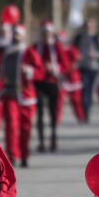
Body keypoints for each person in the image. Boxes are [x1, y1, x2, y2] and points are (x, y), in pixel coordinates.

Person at [0, 24, 42, 167]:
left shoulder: (29, 52)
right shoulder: (6, 52)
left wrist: (28, 70)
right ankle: (12, 155)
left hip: (25, 95)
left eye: (18, 34)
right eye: (14, 34)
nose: (16, 36)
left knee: (25, 127)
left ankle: (24, 155)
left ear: (23, 36)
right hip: (9, 93)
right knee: (11, 125)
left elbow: (40, 72)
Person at [30, 21, 66, 153]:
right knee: (39, 112)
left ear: (51, 34)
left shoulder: (56, 47)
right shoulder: (36, 47)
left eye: (48, 33)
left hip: (52, 82)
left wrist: (53, 68)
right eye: (44, 33)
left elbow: (65, 64)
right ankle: (41, 141)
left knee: (52, 112)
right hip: (39, 83)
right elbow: (30, 62)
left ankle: (53, 137)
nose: (46, 36)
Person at [74, 19, 99, 123]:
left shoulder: (96, 38)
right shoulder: (79, 38)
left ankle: (87, 112)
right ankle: (84, 112)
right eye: (86, 26)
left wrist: (96, 54)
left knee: (90, 91)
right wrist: (77, 56)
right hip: (82, 67)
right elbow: (72, 50)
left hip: (93, 68)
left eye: (90, 26)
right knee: (83, 91)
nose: (88, 28)